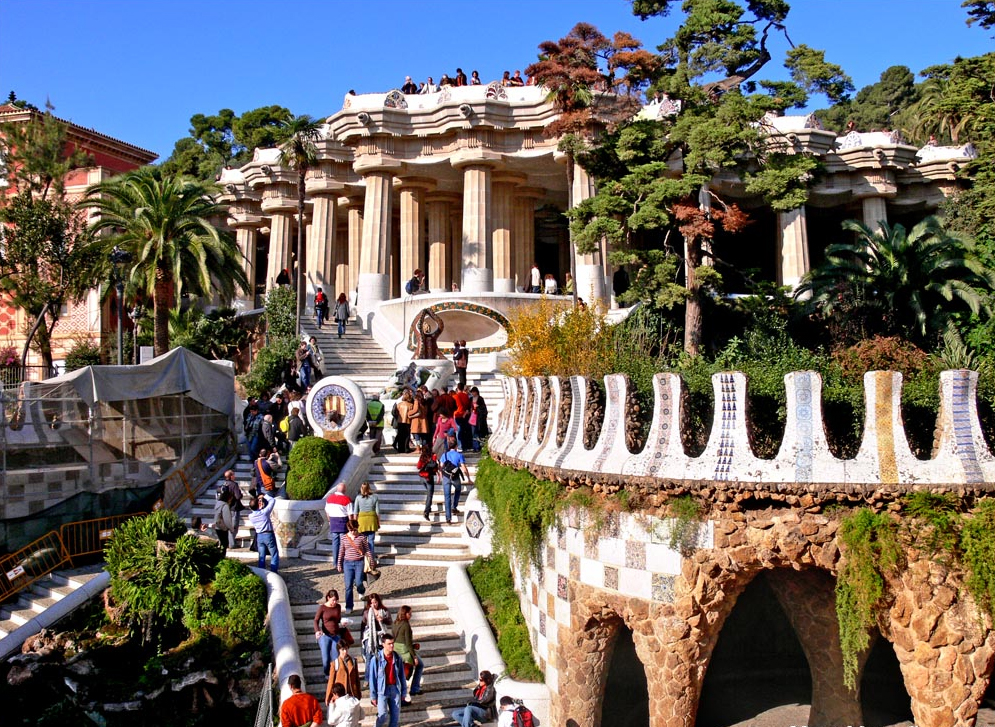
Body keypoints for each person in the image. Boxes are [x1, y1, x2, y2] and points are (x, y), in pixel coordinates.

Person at [367, 634, 407, 727]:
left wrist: (404, 692)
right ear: (383, 644)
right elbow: (372, 678)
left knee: (395, 717)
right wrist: (373, 696)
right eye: (389, 644)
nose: (392, 646)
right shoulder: (376, 659)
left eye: (393, 643)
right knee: (383, 715)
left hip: (395, 689)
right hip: (382, 691)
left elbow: (401, 676)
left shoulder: (397, 658)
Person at [337, 520, 372, 613]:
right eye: (352, 530)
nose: (354, 532)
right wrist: (339, 563)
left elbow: (367, 549)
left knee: (359, 581)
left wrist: (371, 560)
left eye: (355, 530)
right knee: (348, 586)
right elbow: (341, 551)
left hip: (359, 562)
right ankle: (349, 606)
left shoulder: (362, 537)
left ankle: (361, 591)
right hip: (347, 563)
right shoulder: (344, 538)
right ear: (348, 529)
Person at [392, 605, 424, 698]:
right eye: (410, 613)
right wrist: (414, 656)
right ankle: (415, 688)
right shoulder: (406, 625)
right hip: (405, 651)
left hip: (396, 650)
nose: (411, 615)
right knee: (420, 665)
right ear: (405, 614)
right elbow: (408, 643)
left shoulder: (395, 623)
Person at [440, 437, 472, 524]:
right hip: (455, 477)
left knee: (447, 497)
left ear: (449, 446)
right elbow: (464, 468)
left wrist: (440, 476)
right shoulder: (459, 455)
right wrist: (468, 479)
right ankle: (454, 506)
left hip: (446, 477)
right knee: (458, 489)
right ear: (456, 446)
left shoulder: (444, 455)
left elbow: (441, 467)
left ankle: (448, 518)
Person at [361, 593, 393, 673]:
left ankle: (382, 673)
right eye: (372, 603)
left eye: (375, 602)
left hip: (381, 635)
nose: (374, 604)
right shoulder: (367, 612)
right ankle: (367, 678)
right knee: (369, 656)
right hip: (370, 636)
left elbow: (390, 621)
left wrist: (383, 619)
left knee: (382, 655)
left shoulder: (384, 610)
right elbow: (364, 624)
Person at [325, 483, 354, 569]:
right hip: (342, 522)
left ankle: (335, 562)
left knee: (335, 543)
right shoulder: (346, 499)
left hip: (333, 521)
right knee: (343, 543)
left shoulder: (329, 498)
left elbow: (327, 511)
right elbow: (350, 514)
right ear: (344, 490)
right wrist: (351, 524)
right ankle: (341, 562)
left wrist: (329, 520)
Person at [314, 589, 342, 679]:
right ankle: (327, 673)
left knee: (335, 656)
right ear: (328, 598)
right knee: (326, 657)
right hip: (325, 635)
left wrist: (343, 622)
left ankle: (335, 674)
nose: (334, 602)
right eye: (333, 600)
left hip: (336, 634)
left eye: (336, 600)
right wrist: (317, 630)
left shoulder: (338, 607)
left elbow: (338, 620)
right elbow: (316, 620)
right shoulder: (323, 608)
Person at [249, 492, 279, 572]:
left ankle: (262, 572)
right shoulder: (264, 513)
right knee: (274, 554)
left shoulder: (251, 516)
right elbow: (272, 501)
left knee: (261, 556)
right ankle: (274, 571)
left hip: (259, 536)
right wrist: (264, 496)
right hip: (268, 534)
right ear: (258, 505)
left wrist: (260, 507)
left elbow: (256, 511)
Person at [354, 481, 381, 559]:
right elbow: (378, 512)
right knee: (371, 541)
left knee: (362, 541)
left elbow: (355, 512)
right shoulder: (375, 497)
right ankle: (371, 558)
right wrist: (378, 522)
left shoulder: (358, 498)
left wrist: (355, 523)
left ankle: (363, 558)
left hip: (361, 521)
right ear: (369, 488)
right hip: (372, 520)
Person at [416, 444, 439, 521]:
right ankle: (426, 511)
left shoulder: (422, 457)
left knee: (429, 493)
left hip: (421, 477)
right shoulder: (433, 456)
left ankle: (428, 507)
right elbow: (435, 467)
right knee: (429, 495)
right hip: (429, 478)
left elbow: (418, 466)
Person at [213, 489, 237, 556]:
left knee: (221, 544)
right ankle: (222, 557)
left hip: (217, 526)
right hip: (223, 527)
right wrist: (231, 529)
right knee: (224, 544)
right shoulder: (225, 506)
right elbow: (227, 519)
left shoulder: (218, 504)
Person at [453, 383, 473, 453]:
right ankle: (465, 446)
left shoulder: (455, 396)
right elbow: (467, 405)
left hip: (457, 414)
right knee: (464, 430)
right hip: (465, 415)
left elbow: (454, 406)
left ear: (457, 388)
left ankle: (460, 446)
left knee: (458, 431)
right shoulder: (465, 396)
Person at [393, 389, 414, 454]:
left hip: (400, 421)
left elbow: (395, 412)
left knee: (400, 435)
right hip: (407, 421)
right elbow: (411, 413)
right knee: (407, 435)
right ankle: (406, 448)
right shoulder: (410, 405)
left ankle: (400, 448)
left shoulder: (399, 404)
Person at [469, 386, 489, 451]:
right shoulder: (471, 399)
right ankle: (475, 446)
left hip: (479, 418)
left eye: (473, 392)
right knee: (473, 432)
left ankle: (479, 446)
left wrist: (478, 407)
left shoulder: (480, 399)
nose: (473, 393)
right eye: (472, 392)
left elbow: (483, 408)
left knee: (478, 432)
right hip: (472, 416)